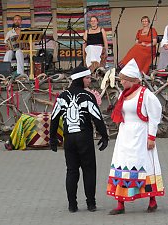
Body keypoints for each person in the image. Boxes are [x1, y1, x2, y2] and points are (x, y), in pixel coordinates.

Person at [107, 58, 164, 215]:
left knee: (145, 165)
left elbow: (154, 114)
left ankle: (152, 201)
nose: (121, 82)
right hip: (125, 134)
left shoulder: (146, 94)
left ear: (132, 80)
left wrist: (151, 136)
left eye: (124, 79)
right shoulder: (123, 95)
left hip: (141, 134)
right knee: (122, 165)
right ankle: (120, 203)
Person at [49, 66, 109, 213]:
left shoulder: (62, 96)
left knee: (71, 171)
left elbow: (54, 118)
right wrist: (104, 136)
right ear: (81, 79)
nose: (90, 80)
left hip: (68, 138)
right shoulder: (87, 96)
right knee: (89, 170)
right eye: (88, 78)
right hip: (84, 137)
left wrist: (52, 138)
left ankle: (72, 205)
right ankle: (91, 204)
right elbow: (97, 117)